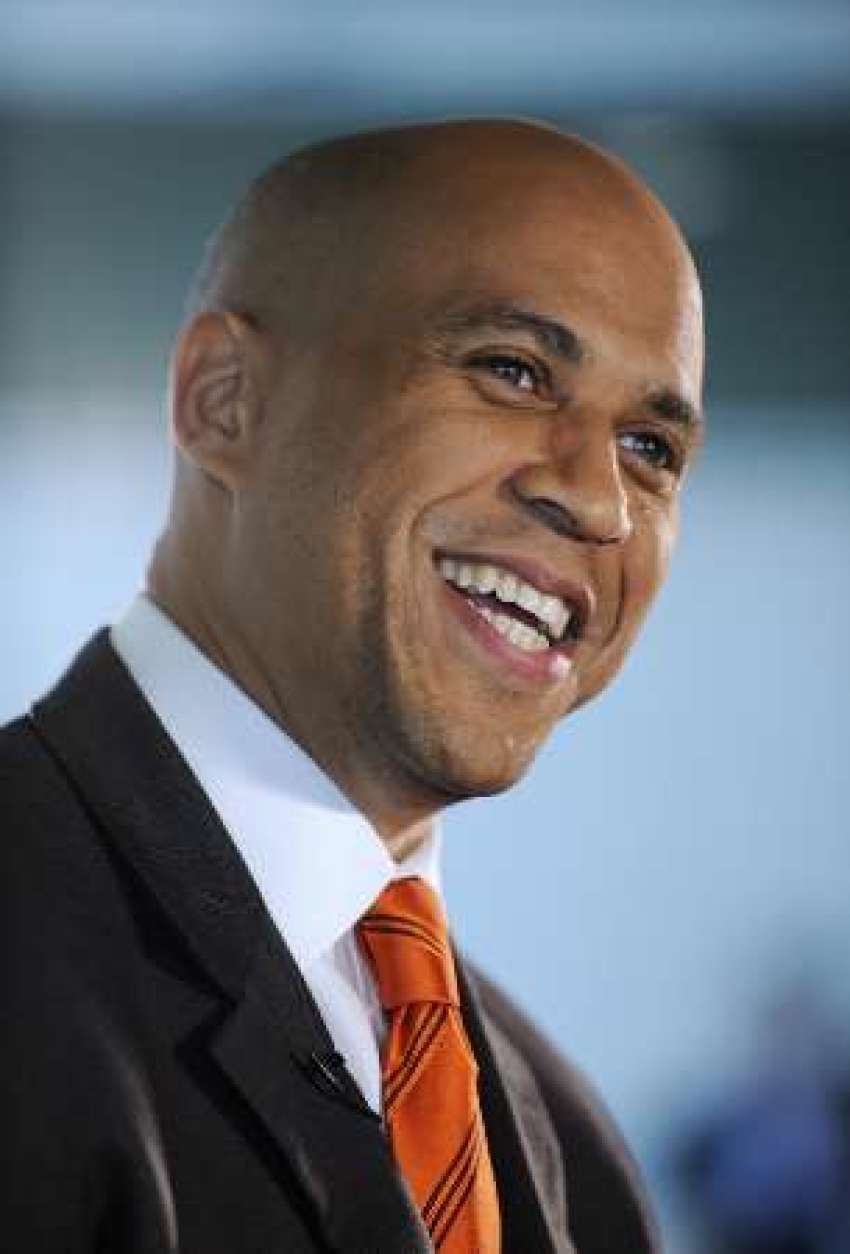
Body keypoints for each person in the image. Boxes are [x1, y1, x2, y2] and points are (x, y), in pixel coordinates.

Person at [0, 119, 704, 1253]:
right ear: (222, 399)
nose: (600, 502)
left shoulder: (573, 1155)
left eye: (651, 451)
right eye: (513, 372)